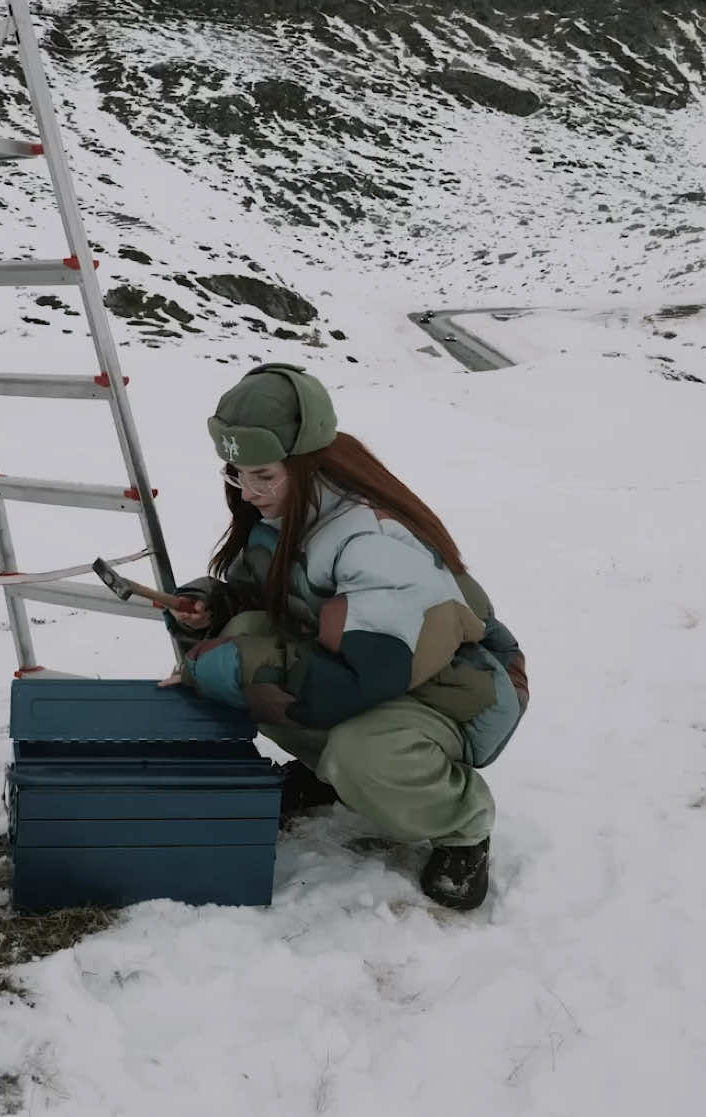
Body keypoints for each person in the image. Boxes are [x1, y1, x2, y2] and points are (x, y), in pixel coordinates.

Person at [165, 362, 528, 911]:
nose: (248, 491)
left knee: (360, 751)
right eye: (237, 474)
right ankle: (329, 774)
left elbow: (366, 674)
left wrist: (225, 667)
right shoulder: (286, 517)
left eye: (264, 475)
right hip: (379, 678)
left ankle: (463, 826)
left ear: (307, 464)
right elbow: (258, 602)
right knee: (245, 639)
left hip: (450, 694)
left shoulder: (370, 539)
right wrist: (209, 607)